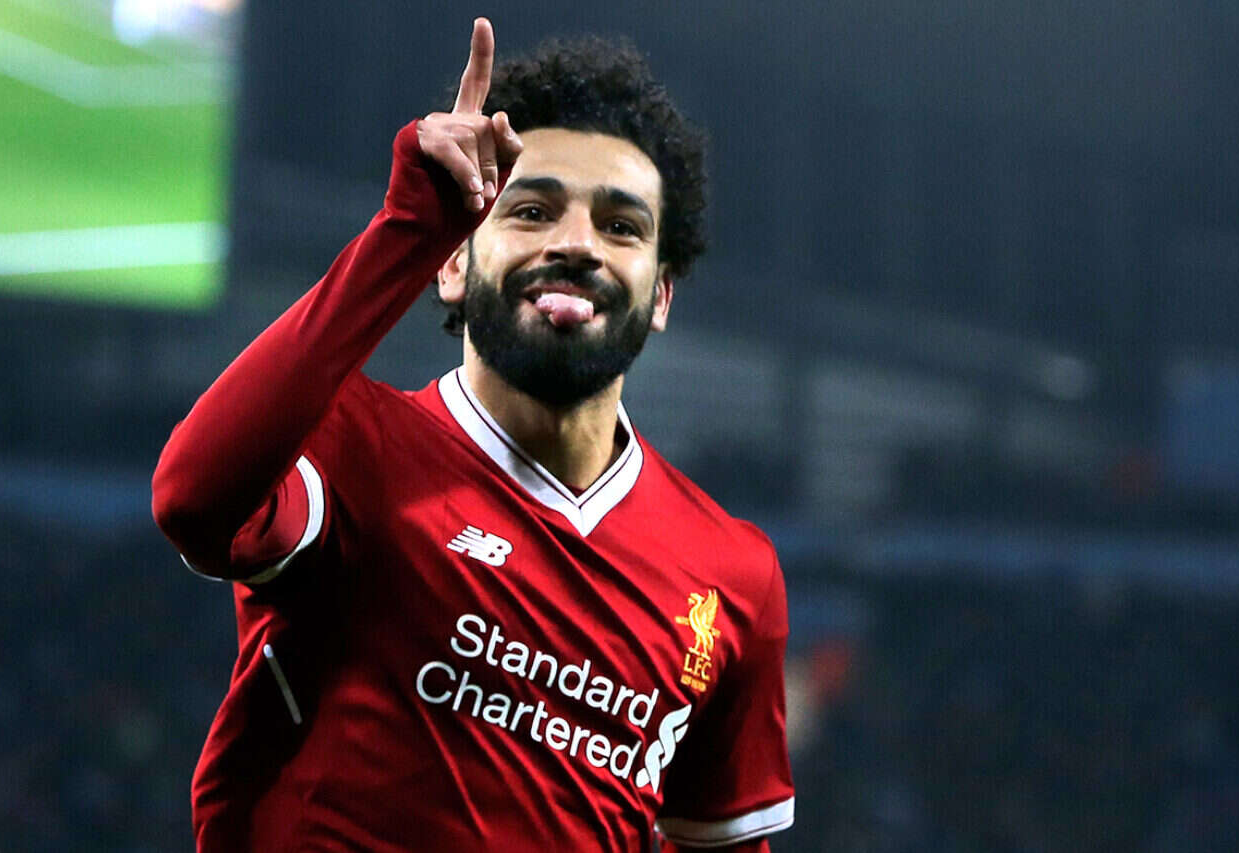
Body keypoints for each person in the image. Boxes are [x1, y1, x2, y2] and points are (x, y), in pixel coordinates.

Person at [152, 18, 794, 852]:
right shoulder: (353, 445)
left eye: (621, 226)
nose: (577, 245)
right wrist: (407, 230)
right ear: (454, 262)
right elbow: (194, 500)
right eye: (531, 211)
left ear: (661, 295)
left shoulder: (732, 573)